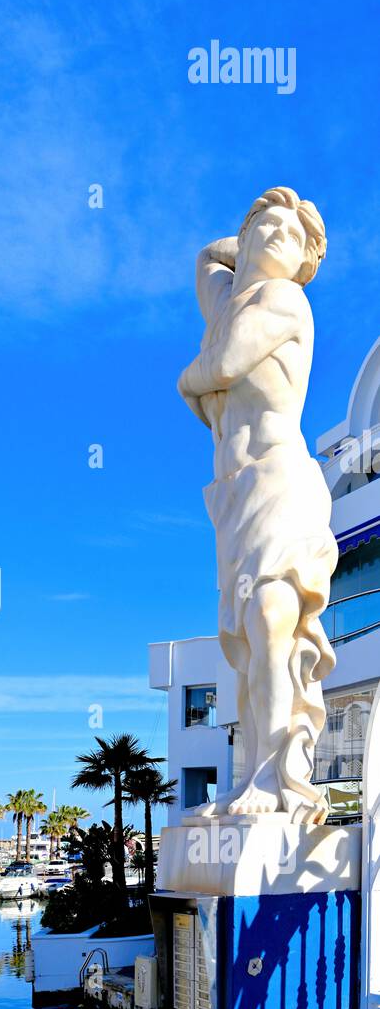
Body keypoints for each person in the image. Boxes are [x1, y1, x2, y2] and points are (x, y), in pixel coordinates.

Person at [178, 186, 332, 823]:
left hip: (282, 481)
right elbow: (204, 264)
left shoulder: (285, 298)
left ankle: (281, 777)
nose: (277, 237)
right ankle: (253, 783)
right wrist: (242, 241)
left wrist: (187, 380)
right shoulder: (235, 294)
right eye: (265, 228)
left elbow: (222, 363)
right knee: (245, 638)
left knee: (271, 615)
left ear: (303, 265)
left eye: (292, 238)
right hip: (235, 496)